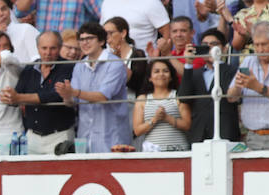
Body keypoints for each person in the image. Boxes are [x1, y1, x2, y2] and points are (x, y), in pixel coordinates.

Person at [56, 22, 130, 152]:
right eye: (82, 39)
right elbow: (73, 102)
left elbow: (103, 96)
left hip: (113, 139)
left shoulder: (115, 64)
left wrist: (73, 92)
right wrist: (66, 96)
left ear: (101, 41)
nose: (84, 43)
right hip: (85, 138)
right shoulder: (79, 66)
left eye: (89, 38)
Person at [226, 20, 269, 149]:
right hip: (253, 137)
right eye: (256, 45)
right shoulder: (248, 61)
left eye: (264, 44)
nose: (260, 50)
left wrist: (257, 87)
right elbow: (231, 98)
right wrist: (237, 86)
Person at [132, 58, 191, 151]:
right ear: (150, 78)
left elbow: (187, 125)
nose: (161, 74)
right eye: (156, 71)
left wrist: (167, 118)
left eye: (165, 71)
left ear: (171, 77)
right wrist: (154, 119)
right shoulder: (142, 99)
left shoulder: (178, 96)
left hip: (178, 150)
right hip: (152, 152)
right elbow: (137, 131)